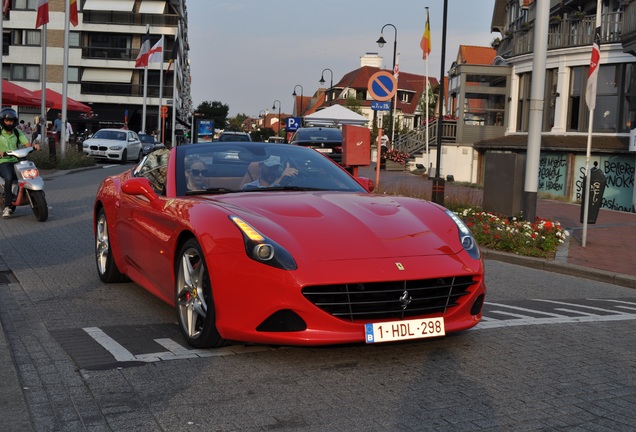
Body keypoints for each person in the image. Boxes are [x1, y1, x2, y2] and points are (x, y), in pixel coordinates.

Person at [0, 108, 39, 218]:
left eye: (11, 121)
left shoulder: (17, 132)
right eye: (7, 120)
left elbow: (27, 144)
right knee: (8, 178)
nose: (9, 123)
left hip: (17, 161)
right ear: (2, 121)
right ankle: (7, 207)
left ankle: (42, 201)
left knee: (31, 175)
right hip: (3, 162)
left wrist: (33, 146)